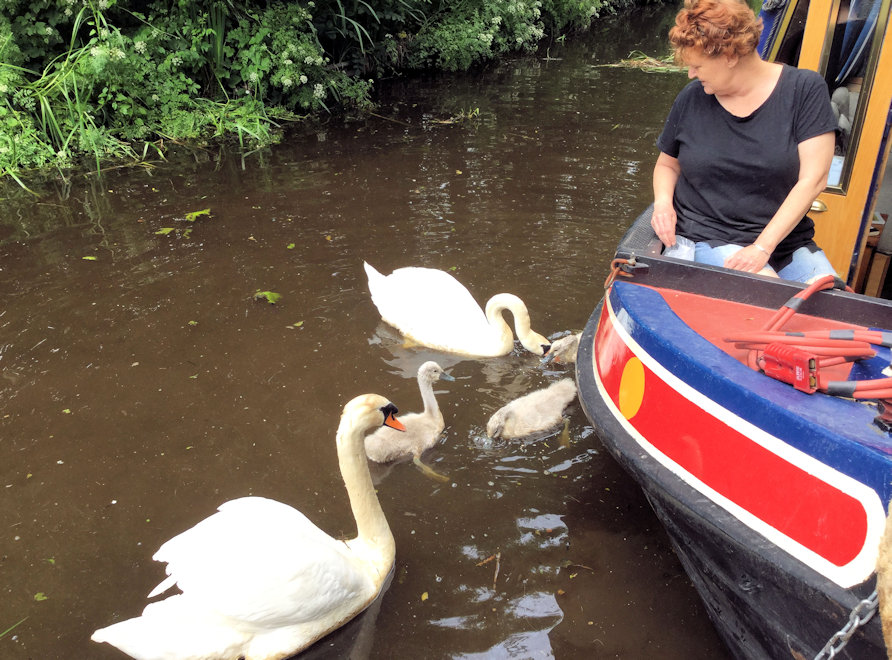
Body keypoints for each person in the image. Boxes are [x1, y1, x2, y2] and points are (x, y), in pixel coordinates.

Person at [652, 0, 839, 283]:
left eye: (697, 65)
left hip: (785, 243)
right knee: (765, 294)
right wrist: (663, 204)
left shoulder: (805, 90)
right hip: (709, 236)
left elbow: (814, 178)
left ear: (729, 55)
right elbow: (667, 164)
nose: (691, 74)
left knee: (832, 308)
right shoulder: (692, 98)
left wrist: (763, 246)